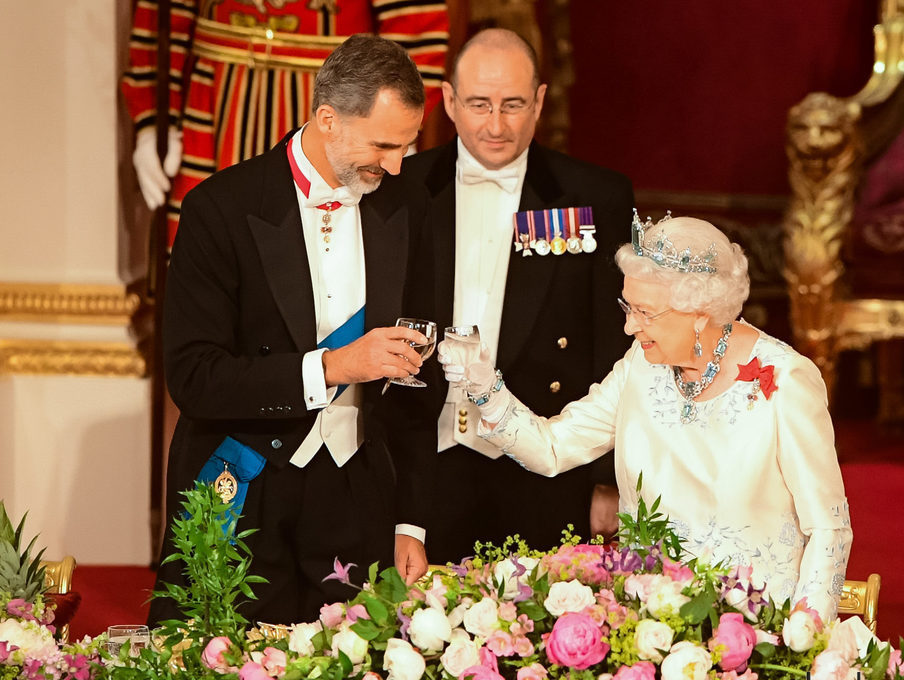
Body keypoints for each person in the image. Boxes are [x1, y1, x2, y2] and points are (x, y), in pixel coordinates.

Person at [150, 34, 434, 627]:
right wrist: (332, 368)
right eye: (384, 144)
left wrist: (411, 519)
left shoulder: (405, 205)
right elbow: (195, 378)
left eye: (406, 145)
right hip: (243, 487)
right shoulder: (218, 209)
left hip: (357, 497)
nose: (397, 165)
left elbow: (417, 378)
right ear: (327, 119)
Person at [440, 214, 853, 620]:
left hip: (756, 635)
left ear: (700, 313)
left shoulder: (786, 379)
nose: (628, 326)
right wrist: (486, 390)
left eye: (644, 312)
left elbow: (829, 527)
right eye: (627, 306)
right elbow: (553, 448)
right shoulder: (641, 363)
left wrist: (803, 636)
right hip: (648, 629)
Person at [400, 28, 634, 562]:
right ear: (450, 101)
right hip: (427, 456)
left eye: (513, 105)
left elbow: (617, 343)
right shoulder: (402, 187)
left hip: (545, 459)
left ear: (540, 102)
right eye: (480, 105)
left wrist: (606, 477)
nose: (496, 125)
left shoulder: (594, 196)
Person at [121, 0, 449, 244]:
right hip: (215, 102)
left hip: (336, 98)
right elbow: (165, 15)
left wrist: (392, 124)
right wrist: (152, 115)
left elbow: (415, 22)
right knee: (206, 241)